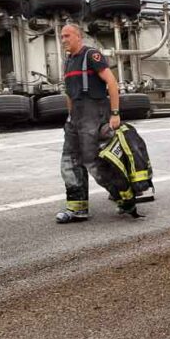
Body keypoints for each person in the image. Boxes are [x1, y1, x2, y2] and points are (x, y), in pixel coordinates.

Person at [55, 23, 121, 223]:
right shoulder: (68, 61)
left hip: (94, 115)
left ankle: (123, 194)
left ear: (78, 36)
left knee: (94, 163)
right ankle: (78, 208)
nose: (63, 40)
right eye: (62, 36)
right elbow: (69, 93)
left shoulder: (92, 55)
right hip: (76, 118)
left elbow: (112, 82)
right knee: (69, 161)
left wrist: (115, 113)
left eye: (67, 36)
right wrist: (70, 116)